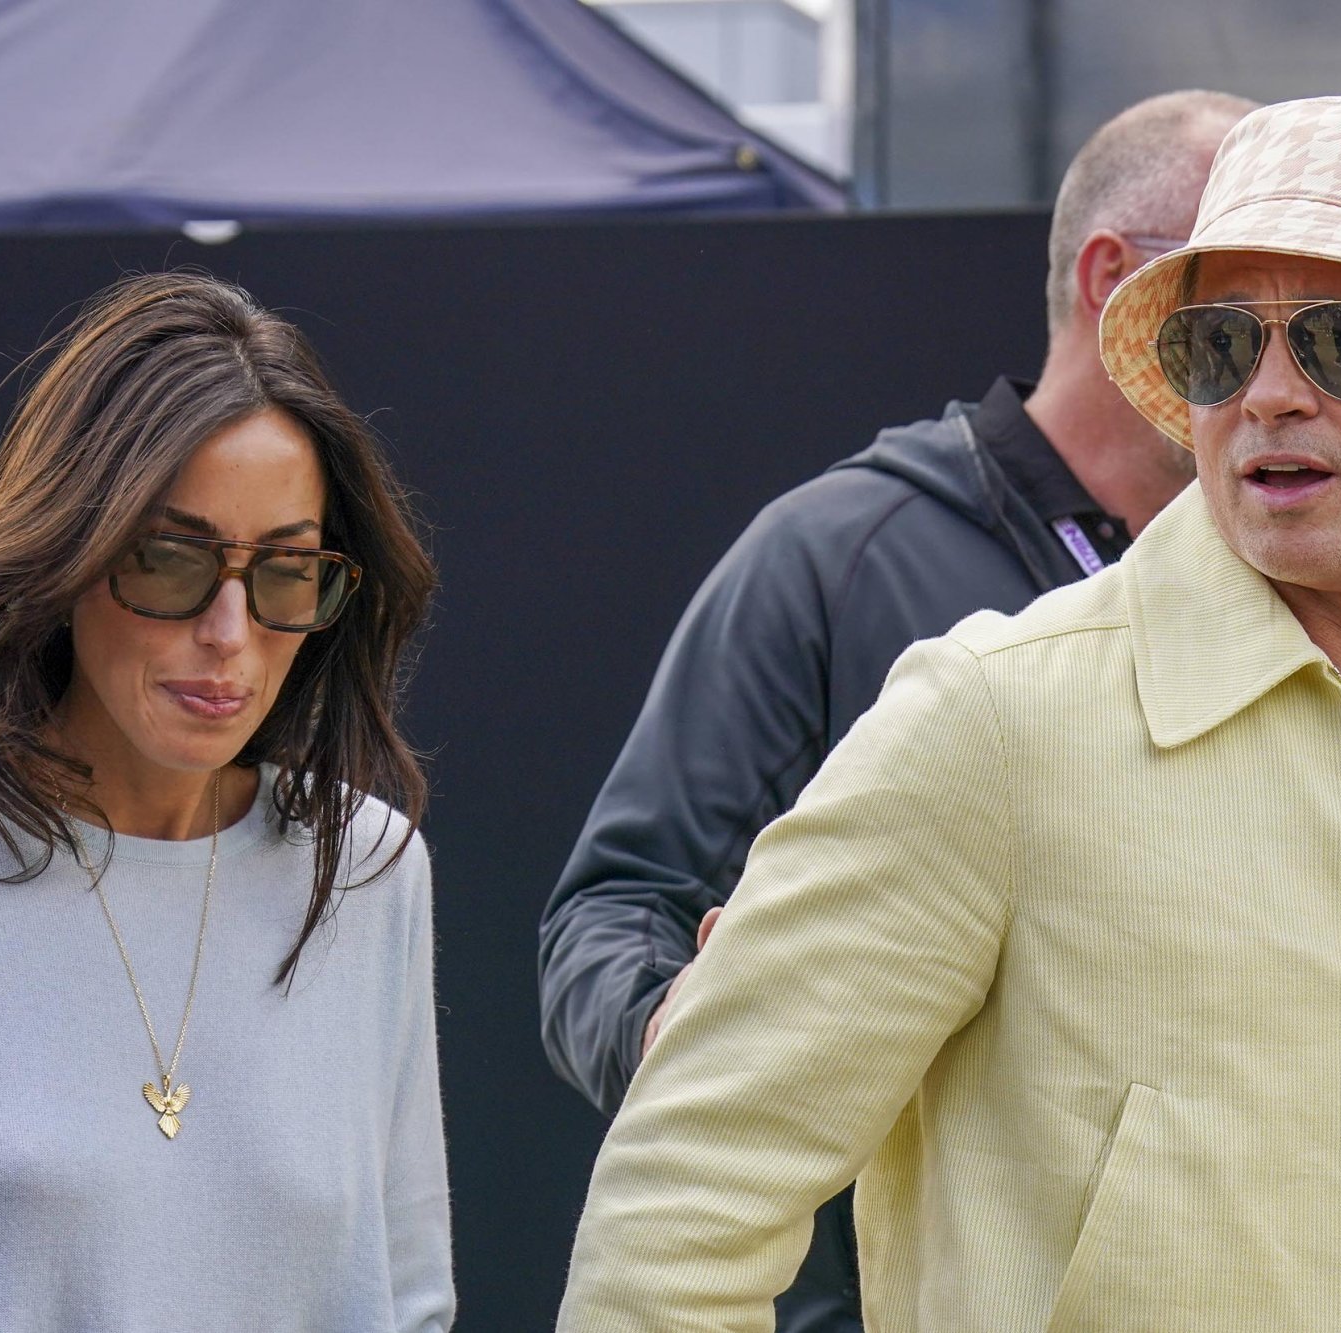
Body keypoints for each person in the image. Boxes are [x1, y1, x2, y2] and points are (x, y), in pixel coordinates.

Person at [555, 96, 1341, 1330]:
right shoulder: (993, 718)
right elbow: (683, 1204)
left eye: (1339, 342)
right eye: (1216, 346)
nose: (1268, 394)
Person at [538, 88, 1256, 1328]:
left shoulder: (1282, 590)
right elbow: (610, 914)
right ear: (1112, 281)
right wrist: (686, 1036)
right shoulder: (836, 557)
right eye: (1247, 291)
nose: (1286, 351)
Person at [0, 273, 452, 1330]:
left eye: (286, 569)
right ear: (70, 548)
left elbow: (406, 1297)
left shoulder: (368, 869)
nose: (229, 632)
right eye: (172, 560)